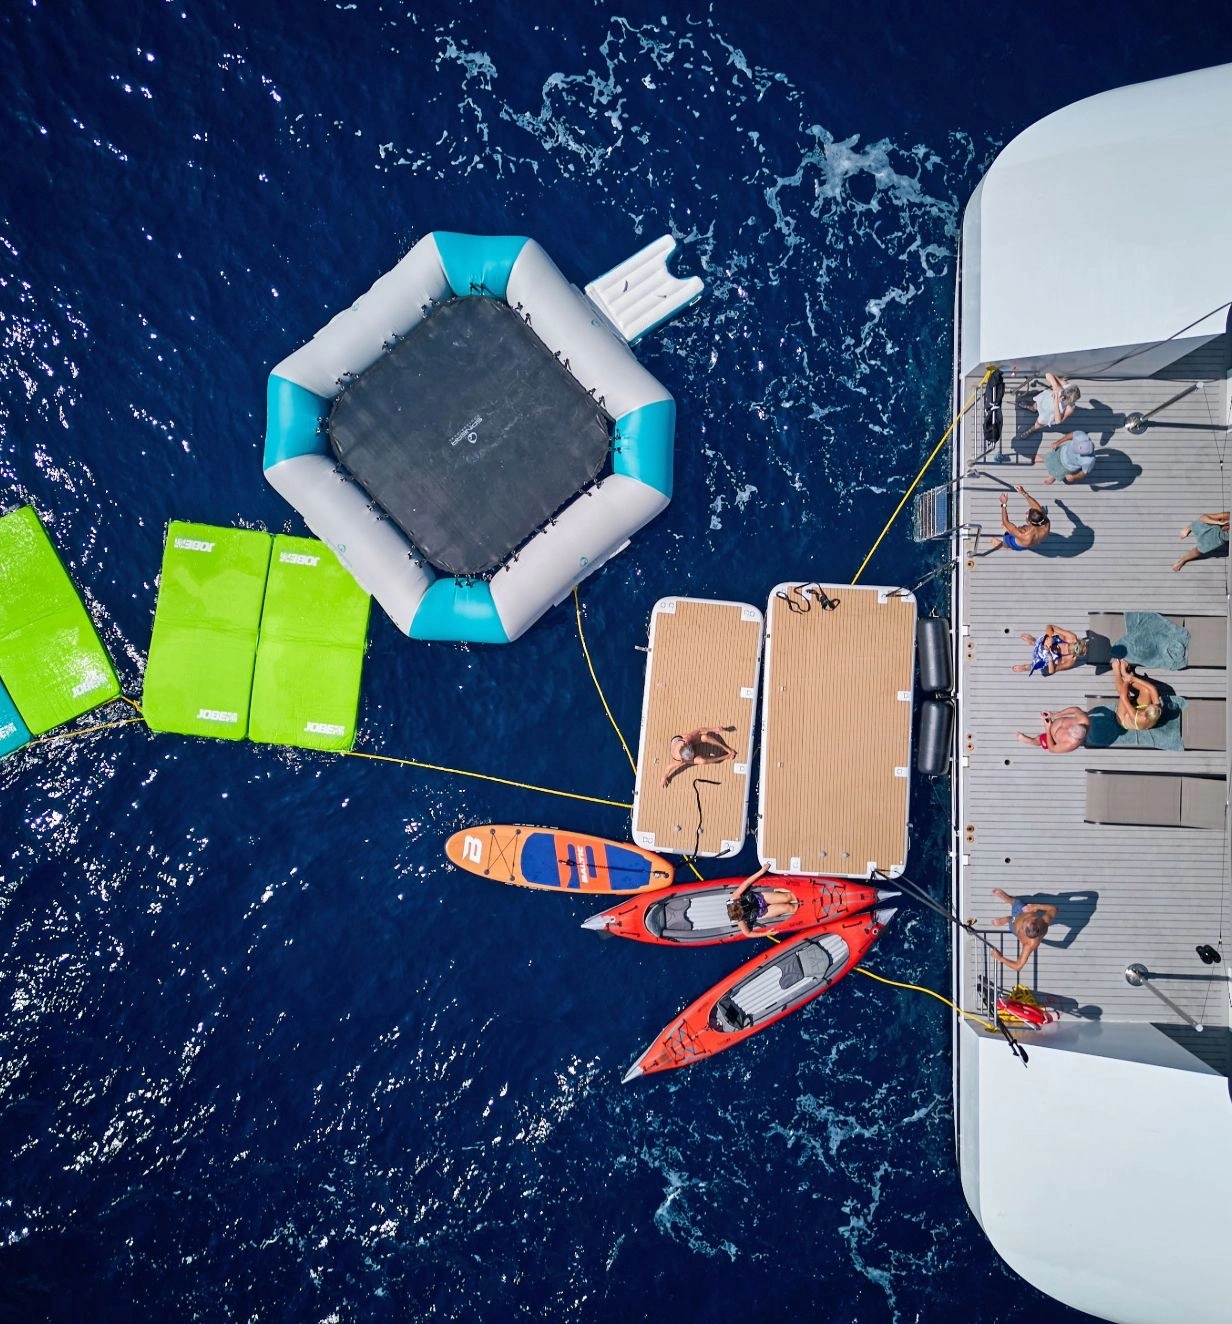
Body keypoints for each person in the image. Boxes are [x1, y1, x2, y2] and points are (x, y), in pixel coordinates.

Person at [989, 888, 1058, 971]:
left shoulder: (1029, 945)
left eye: (1026, 923)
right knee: (1017, 902)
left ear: (1023, 931)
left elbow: (1018, 966)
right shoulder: (1043, 921)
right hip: (1022, 911)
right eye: (1032, 920)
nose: (1030, 920)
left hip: (1013, 926)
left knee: (1011, 920)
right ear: (1037, 926)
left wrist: (1000, 958)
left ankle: (1008, 919)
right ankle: (1009, 900)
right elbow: (1054, 909)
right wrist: (1036, 906)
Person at [726, 863, 800, 937]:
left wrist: (762, 871)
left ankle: (802, 896)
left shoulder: (735, 897)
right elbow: (748, 934)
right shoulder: (739, 919)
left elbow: (746, 883)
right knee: (788, 908)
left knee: (787, 897)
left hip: (759, 899)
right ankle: (804, 908)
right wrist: (766, 933)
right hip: (760, 911)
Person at [661, 725, 738, 787]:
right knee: (703, 761)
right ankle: (726, 757)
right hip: (680, 750)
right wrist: (664, 778)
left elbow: (699, 730)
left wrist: (713, 729)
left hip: (679, 740)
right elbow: (668, 768)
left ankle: (726, 749)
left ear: (688, 744)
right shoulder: (679, 760)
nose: (694, 753)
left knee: (704, 737)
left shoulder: (687, 739)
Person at [983, 485, 1050, 553]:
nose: (1027, 512)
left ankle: (1002, 545)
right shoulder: (1046, 522)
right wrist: (1024, 493)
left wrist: (1003, 504)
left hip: (1019, 543)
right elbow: (1036, 507)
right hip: (1033, 539)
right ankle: (1009, 531)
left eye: (1027, 514)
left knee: (1008, 541)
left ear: (1029, 522)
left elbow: (1005, 522)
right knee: (1012, 530)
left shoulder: (1023, 534)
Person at [1011, 624, 1087, 675]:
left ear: (1075, 655)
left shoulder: (1070, 661)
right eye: (1073, 646)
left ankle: (1025, 668)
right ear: (1075, 642)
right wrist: (1050, 637)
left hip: (1048, 658)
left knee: (1034, 665)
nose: (1070, 649)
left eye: (1073, 651)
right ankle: (1034, 642)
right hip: (1047, 643)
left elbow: (1051, 671)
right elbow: (1050, 627)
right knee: (1040, 642)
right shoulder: (1071, 637)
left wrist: (1050, 658)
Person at [1111, 658, 1163, 732]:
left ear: (1145, 712)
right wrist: (1133, 678)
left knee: (1126, 695)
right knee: (1147, 691)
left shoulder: (1138, 718)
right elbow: (1153, 689)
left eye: (1149, 706)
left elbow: (1123, 696)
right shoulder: (1157, 711)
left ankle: (1117, 672)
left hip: (1124, 718)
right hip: (1139, 709)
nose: (1153, 704)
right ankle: (1124, 674)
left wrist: (1126, 681)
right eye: (1153, 704)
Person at [1015, 706, 1090, 752]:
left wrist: (1047, 728)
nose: (1066, 729)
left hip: (1052, 738)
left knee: (1040, 740)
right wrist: (1055, 715)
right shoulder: (1083, 719)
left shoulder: (1070, 745)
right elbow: (1075, 709)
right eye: (1069, 727)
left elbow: (1052, 749)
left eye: (1067, 732)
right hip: (1053, 721)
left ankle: (1030, 741)